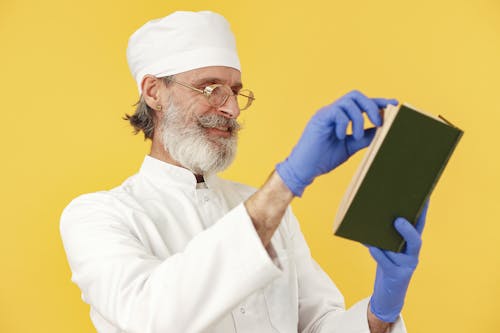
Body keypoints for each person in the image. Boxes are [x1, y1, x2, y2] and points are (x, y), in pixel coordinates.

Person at [60, 11, 429, 333]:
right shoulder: (96, 217)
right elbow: (154, 318)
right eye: (211, 89)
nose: (232, 110)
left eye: (236, 92)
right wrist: (287, 181)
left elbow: (317, 326)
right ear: (154, 92)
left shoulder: (266, 210)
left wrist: (381, 311)